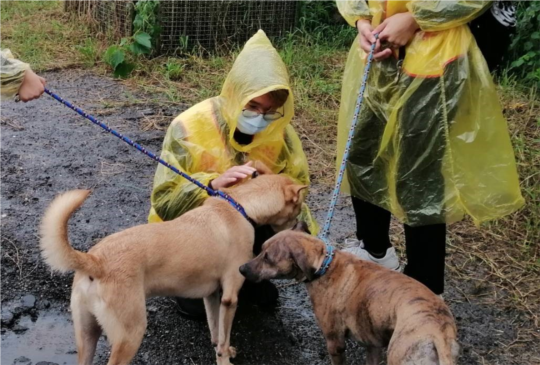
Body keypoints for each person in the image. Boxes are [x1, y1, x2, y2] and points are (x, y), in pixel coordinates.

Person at [336, 0, 524, 296]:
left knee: (421, 172)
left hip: (435, 61)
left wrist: (415, 19)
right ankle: (375, 251)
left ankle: (426, 286)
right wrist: (361, 22)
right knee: (364, 154)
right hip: (376, 53)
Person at [148, 30, 318, 319]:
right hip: (191, 232)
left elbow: (296, 196)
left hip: (247, 234)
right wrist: (210, 185)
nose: (260, 117)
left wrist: (306, 240)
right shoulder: (188, 126)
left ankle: (245, 275)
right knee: (195, 308)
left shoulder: (282, 134)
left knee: (261, 300)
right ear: (235, 95)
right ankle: (200, 278)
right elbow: (165, 201)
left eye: (270, 111)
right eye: (252, 106)